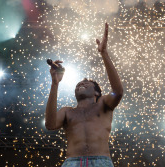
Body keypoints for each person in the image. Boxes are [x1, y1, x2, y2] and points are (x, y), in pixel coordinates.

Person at [45, 23, 123, 167]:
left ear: (96, 92)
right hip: (72, 162)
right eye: (79, 84)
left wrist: (104, 53)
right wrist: (55, 84)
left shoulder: (103, 104)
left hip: (101, 162)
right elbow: (49, 124)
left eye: (86, 84)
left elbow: (118, 91)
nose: (81, 84)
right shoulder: (67, 111)